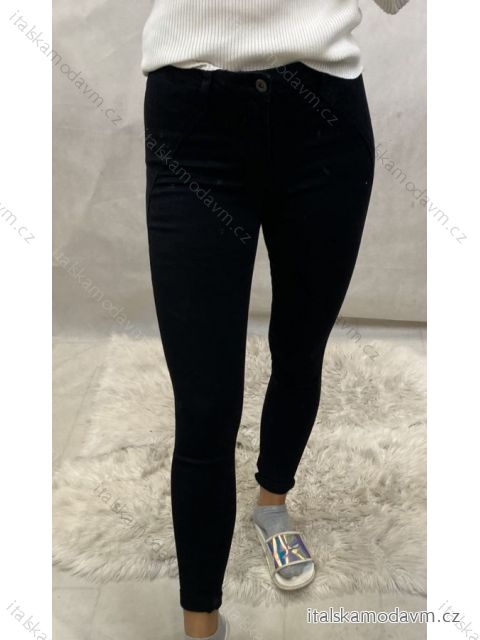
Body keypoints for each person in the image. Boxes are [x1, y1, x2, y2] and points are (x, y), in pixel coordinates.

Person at [142, 0, 410, 637]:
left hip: (323, 119)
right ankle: (201, 623)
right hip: (194, 119)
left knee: (299, 348)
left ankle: (272, 505)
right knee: (204, 404)